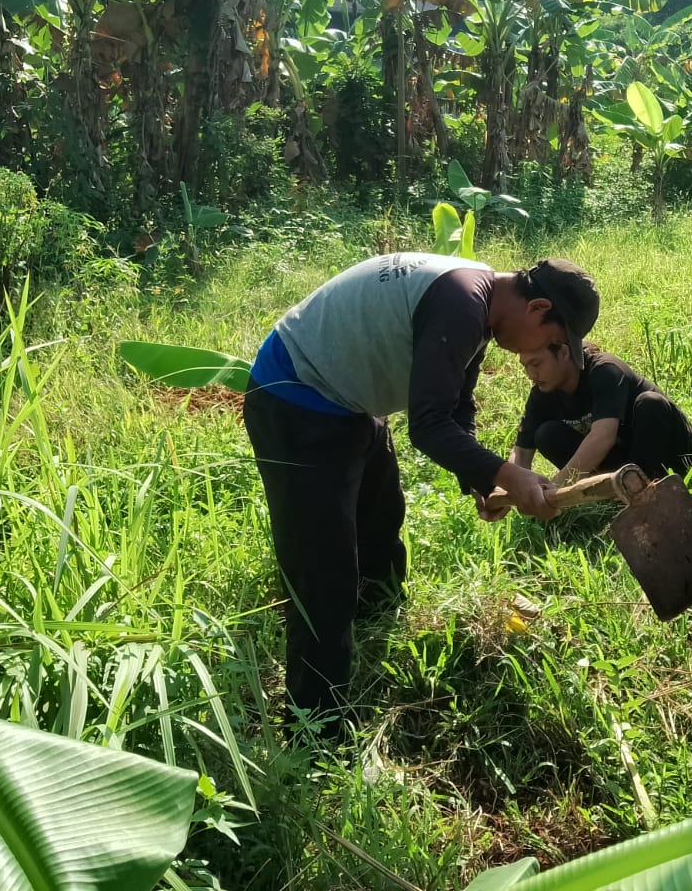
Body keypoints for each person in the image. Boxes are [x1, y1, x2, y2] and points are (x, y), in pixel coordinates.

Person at [241, 252, 599, 729]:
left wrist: (482, 477)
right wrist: (510, 474)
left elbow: (456, 406)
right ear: (537, 309)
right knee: (322, 573)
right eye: (553, 339)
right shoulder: (462, 301)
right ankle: (316, 728)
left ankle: (373, 630)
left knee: (379, 524)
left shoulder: (480, 302)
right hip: (295, 397)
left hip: (349, 401)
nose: (542, 351)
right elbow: (428, 427)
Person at [510, 339, 692, 485]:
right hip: (625, 462)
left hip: (672, 454)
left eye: (536, 364)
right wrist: (507, 488)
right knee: (547, 434)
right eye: (525, 366)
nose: (530, 374)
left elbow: (603, 437)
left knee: (650, 404)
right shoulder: (543, 393)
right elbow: (521, 454)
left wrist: (555, 486)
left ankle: (642, 490)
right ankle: (615, 491)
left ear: (563, 353)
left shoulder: (604, 370)